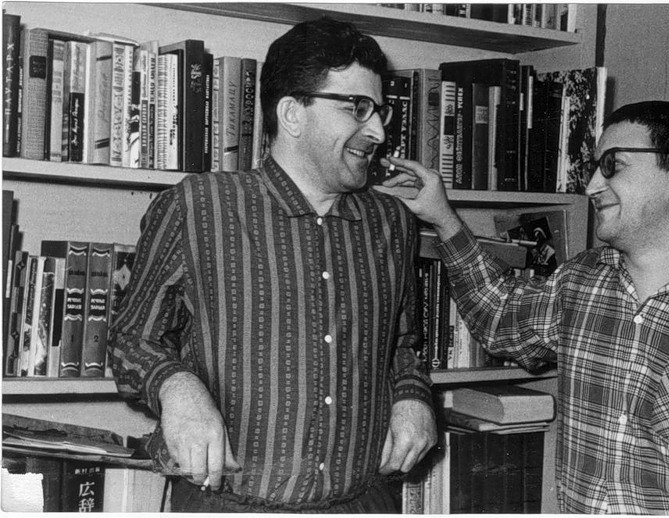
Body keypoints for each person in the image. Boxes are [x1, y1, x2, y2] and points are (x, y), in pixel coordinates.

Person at [381, 100, 669, 515]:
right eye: (595, 167)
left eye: (613, 165)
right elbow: (498, 316)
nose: (593, 185)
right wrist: (443, 217)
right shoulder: (580, 282)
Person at [108, 17, 436, 513]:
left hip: (363, 502)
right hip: (229, 504)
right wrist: (175, 386)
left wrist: (412, 395)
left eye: (380, 111)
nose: (378, 131)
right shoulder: (199, 206)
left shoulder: (392, 220)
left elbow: (403, 343)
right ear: (292, 113)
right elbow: (132, 339)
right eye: (359, 108)